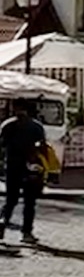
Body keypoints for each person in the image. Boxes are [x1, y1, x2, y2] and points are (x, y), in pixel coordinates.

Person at [0, 99, 50, 244]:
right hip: (30, 168)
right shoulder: (36, 126)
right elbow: (43, 147)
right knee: (29, 202)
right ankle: (27, 233)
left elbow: (1, 146)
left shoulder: (7, 125)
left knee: (11, 200)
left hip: (12, 166)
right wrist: (45, 169)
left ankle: (2, 221)